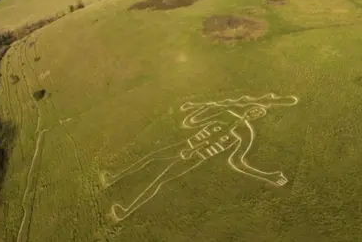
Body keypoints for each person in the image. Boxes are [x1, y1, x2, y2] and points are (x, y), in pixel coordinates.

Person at [100, 93, 298, 221]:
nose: (254, 112)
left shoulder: (246, 134)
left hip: (196, 158)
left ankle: (125, 211)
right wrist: (203, 107)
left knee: (160, 180)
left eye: (258, 113)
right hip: (186, 145)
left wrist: (268, 175)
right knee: (150, 158)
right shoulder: (227, 115)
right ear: (249, 109)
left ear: (257, 117)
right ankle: (114, 178)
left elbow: (238, 161)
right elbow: (193, 122)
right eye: (254, 109)